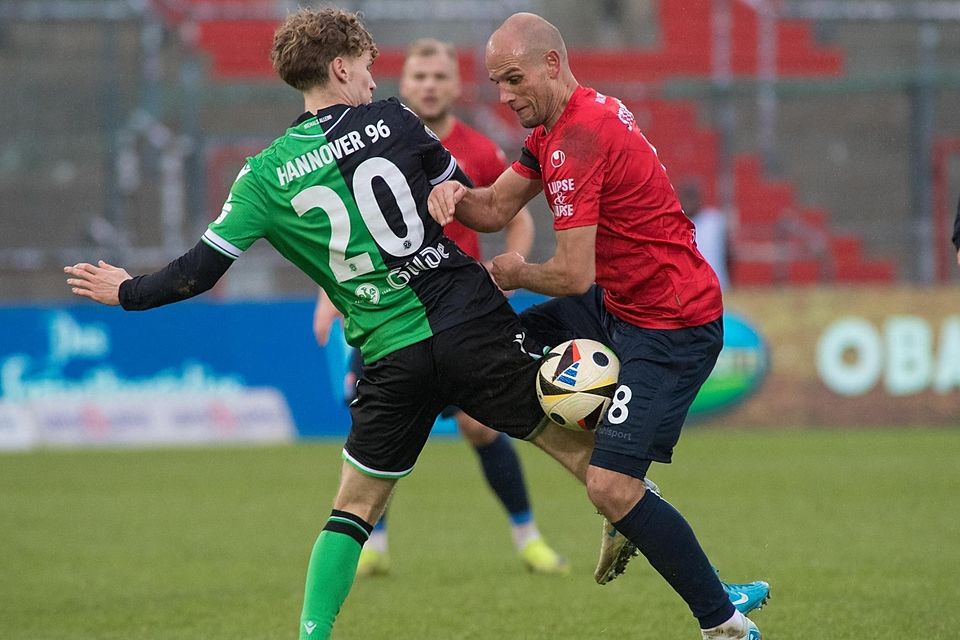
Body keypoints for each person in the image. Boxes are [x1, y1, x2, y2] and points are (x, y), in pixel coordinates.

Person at [64, 9, 604, 640]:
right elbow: (474, 206)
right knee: (571, 442)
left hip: (389, 351)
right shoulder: (398, 119)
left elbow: (199, 271)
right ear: (341, 67)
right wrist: (494, 182)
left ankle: (313, 634)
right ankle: (652, 543)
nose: (376, 82)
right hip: (465, 321)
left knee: (352, 508)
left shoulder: (261, 176)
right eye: (369, 69)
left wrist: (127, 291)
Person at [428, 12, 766, 640]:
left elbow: (571, 274)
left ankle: (725, 622)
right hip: (621, 303)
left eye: (512, 79)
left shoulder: (579, 138)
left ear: (551, 65)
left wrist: (513, 272)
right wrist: (450, 193)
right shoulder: (557, 121)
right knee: (506, 352)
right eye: (497, 82)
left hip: (672, 323)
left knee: (610, 486)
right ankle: (631, 504)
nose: (503, 95)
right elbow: (497, 205)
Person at [310, 37, 568, 579]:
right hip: (393, 317)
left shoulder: (476, 149)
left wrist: (511, 266)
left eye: (439, 76)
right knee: (379, 431)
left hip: (463, 316)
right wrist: (325, 297)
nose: (429, 85)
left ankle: (528, 537)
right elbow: (344, 236)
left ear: (455, 85)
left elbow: (513, 210)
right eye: (419, 76)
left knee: (483, 428)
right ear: (403, 87)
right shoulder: (365, 144)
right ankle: (374, 544)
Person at [678, 179, 730, 289]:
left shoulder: (715, 221)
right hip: (688, 291)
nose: (689, 201)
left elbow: (729, 255)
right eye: (686, 197)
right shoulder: (675, 224)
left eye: (692, 196)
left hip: (718, 289)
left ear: (699, 198)